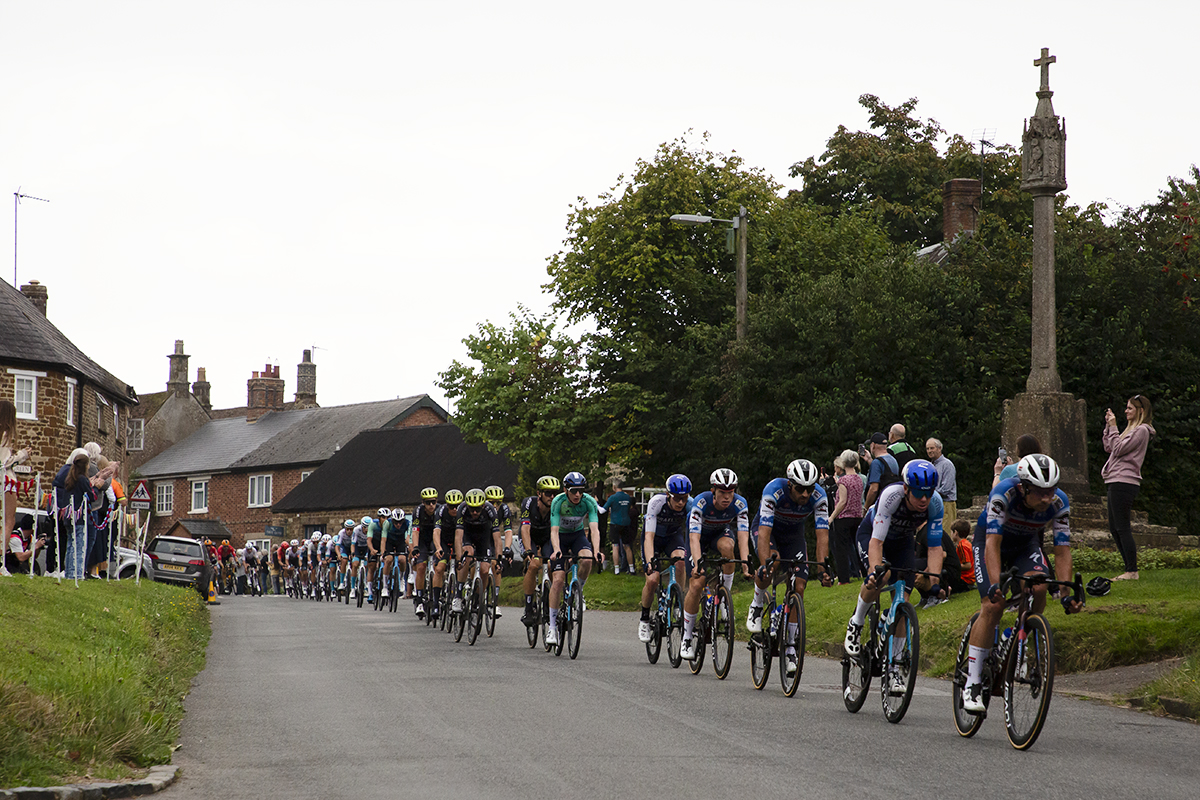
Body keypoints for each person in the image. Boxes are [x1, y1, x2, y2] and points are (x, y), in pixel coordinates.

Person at [961, 454, 1083, 714]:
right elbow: (992, 545)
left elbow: (1062, 550)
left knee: (1038, 586)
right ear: (1023, 486)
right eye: (1039, 492)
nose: (1046, 498)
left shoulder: (1060, 502)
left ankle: (1022, 638)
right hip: (991, 542)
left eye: (1050, 491)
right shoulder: (1003, 494)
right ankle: (972, 681)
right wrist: (995, 586)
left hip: (1026, 544)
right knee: (993, 606)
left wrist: (1065, 592)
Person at [844, 459, 946, 679]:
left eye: (928, 493)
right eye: (919, 493)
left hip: (901, 542)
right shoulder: (891, 496)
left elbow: (936, 547)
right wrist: (874, 572)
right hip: (872, 535)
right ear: (906, 488)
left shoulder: (935, 504)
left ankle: (895, 668)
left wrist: (935, 583)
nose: (924, 499)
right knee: (882, 577)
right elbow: (876, 543)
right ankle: (857, 622)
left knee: (903, 605)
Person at [748, 459, 830, 677]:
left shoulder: (819, 497)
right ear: (790, 484)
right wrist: (765, 565)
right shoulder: (773, 490)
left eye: (809, 489)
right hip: (768, 530)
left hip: (794, 536)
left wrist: (823, 569)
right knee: (772, 562)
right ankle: (757, 603)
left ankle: (791, 647)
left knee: (800, 587)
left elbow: (822, 535)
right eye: (800, 489)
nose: (805, 494)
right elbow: (764, 533)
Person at [680, 469, 750, 660]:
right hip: (698, 538)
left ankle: (723, 599)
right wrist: (697, 563)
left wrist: (745, 563)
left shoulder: (739, 504)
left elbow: (743, 536)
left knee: (728, 546)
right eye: (722, 493)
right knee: (696, 583)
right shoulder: (700, 503)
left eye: (730, 492)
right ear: (713, 491)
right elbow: (694, 538)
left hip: (720, 533)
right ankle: (686, 637)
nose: (727, 497)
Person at [1103, 394, 1155, 581]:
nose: (1126, 411)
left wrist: (1115, 427)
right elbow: (1109, 447)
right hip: (1115, 479)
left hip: (1125, 481)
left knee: (1122, 527)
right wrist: (1110, 427)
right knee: (1114, 527)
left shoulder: (1142, 430)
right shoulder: (1130, 429)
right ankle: (1129, 569)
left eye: (1130, 408)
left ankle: (1132, 571)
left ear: (1141, 411)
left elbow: (1117, 449)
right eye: (1126, 407)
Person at [636, 474, 694, 644]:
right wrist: (649, 562)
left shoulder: (690, 505)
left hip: (672, 538)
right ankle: (644, 619)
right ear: (668, 495)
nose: (681, 503)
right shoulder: (656, 503)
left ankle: (677, 602)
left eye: (684, 498)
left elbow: (694, 534)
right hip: (653, 538)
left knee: (681, 562)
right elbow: (648, 537)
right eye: (677, 498)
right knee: (653, 579)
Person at [546, 471, 602, 646]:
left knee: (587, 559)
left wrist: (597, 550)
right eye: (573, 490)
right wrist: (556, 550)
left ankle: (579, 592)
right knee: (558, 581)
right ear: (565, 490)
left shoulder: (589, 501)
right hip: (560, 538)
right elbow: (554, 531)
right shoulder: (558, 502)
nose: (578, 494)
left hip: (577, 535)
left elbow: (594, 529)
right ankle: (552, 627)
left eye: (581, 490)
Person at [519, 475, 559, 627]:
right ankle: (528, 608)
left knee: (551, 565)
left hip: (547, 536)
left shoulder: (557, 505)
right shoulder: (528, 503)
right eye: (548, 493)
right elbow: (525, 528)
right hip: (531, 536)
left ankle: (548, 598)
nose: (552, 496)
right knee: (534, 564)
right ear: (539, 493)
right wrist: (529, 550)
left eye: (554, 493)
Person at [52, 449, 95, 579]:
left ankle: (70, 572)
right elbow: (91, 497)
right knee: (79, 546)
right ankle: (76, 573)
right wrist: (96, 487)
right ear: (85, 466)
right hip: (79, 517)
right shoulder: (82, 479)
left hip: (68, 516)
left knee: (71, 545)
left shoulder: (70, 478)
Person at [1, 400, 31, 576]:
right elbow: (4, 463)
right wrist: (22, 455)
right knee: (8, 521)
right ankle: (1, 562)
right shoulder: (5, 434)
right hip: (6, 481)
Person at [829, 449, 864, 584]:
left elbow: (842, 501)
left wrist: (832, 517)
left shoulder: (843, 480)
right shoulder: (859, 479)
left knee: (841, 549)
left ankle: (844, 579)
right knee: (859, 546)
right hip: (857, 516)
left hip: (844, 518)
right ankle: (865, 572)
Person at [431, 489, 464, 622]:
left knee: (461, 566)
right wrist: (438, 548)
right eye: (451, 506)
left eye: (457, 506)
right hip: (444, 541)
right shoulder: (440, 511)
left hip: (459, 541)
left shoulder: (464, 512)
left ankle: (459, 596)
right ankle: (435, 604)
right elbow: (436, 532)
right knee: (439, 569)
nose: (455, 509)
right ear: (447, 505)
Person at [411, 488, 440, 618]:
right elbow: (415, 531)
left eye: (433, 502)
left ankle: (438, 596)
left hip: (435, 540)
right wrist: (415, 547)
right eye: (428, 503)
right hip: (422, 540)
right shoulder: (418, 511)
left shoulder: (440, 510)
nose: (431, 505)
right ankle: (419, 599)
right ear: (423, 503)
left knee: (438, 567)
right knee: (421, 566)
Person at [485, 485, 511, 617]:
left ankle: (495, 602)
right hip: (481, 538)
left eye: (498, 502)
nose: (495, 506)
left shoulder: (505, 509)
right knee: (480, 564)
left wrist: (507, 548)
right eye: (491, 502)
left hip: (494, 538)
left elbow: (508, 531)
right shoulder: (481, 508)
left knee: (496, 565)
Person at [603, 483, 636, 575]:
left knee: (615, 546)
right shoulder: (628, 497)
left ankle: (616, 569)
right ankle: (631, 568)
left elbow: (603, 510)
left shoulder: (612, 498)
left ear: (614, 487)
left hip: (615, 523)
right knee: (627, 546)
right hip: (626, 523)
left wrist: (595, 503)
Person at [925, 438, 958, 525]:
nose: (929, 451)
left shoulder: (947, 464)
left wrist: (929, 495)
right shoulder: (930, 465)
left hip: (946, 504)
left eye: (932, 448)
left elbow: (946, 488)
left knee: (945, 534)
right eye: (927, 449)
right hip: (933, 504)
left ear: (939, 448)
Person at [864, 433, 901, 508]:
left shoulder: (876, 463)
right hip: (892, 502)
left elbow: (874, 489)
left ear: (873, 445)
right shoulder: (893, 459)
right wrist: (869, 460)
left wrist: (865, 507)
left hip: (879, 504)